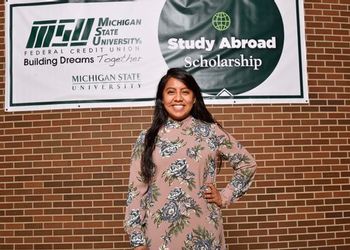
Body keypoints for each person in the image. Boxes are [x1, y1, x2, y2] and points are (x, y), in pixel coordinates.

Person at [124, 68, 256, 249]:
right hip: (159, 235)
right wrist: (137, 239)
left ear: (194, 98)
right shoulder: (147, 138)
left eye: (185, 92)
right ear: (162, 99)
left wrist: (224, 196)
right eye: (171, 92)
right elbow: (136, 191)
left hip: (204, 231)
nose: (178, 98)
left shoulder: (211, 132)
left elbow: (247, 163)